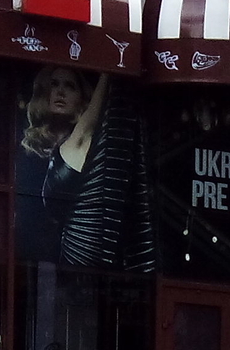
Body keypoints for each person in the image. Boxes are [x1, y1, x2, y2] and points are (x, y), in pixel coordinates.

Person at [17, 68, 152, 272]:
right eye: (54, 84)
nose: (60, 92)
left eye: (69, 86)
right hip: (30, 256)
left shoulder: (88, 145)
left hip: (74, 258)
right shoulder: (28, 153)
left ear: (82, 100)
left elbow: (88, 127)